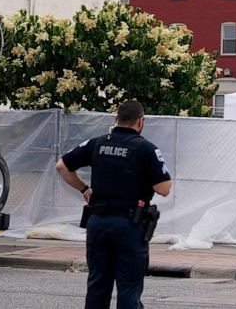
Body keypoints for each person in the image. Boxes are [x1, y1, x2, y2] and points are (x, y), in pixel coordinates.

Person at [55, 101, 172, 309]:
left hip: (98, 223)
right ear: (141, 122)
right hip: (130, 226)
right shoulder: (146, 149)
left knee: (98, 284)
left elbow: (62, 166)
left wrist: (84, 189)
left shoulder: (97, 143)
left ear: (116, 119)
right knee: (128, 287)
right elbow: (163, 188)